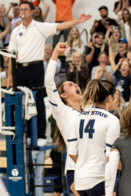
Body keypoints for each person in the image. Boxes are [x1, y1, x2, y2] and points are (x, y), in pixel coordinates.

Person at [7, 1, 91, 146]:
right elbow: (12, 56)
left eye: (26, 9)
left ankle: (39, 135)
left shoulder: (40, 27)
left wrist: (77, 21)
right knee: (22, 102)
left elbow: (60, 26)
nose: (23, 12)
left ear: (32, 11)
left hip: (36, 67)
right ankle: (24, 135)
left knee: (38, 100)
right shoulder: (15, 31)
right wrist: (10, 75)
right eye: (21, 9)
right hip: (20, 69)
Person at [45, 42, 93, 196]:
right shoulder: (62, 112)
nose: (75, 85)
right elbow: (49, 83)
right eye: (70, 85)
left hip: (92, 168)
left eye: (75, 83)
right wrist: (56, 53)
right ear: (64, 95)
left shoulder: (88, 111)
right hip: (76, 169)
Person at [69, 79, 120, 196]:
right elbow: (112, 157)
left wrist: (86, 164)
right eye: (115, 96)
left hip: (80, 179)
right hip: (99, 179)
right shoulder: (111, 120)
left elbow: (72, 152)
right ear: (109, 97)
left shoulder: (80, 116)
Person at [109, 38, 131, 104]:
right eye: (122, 65)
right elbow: (111, 60)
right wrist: (109, 45)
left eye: (126, 65)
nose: (123, 66)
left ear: (129, 68)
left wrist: (129, 105)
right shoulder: (118, 73)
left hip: (126, 102)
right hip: (116, 102)